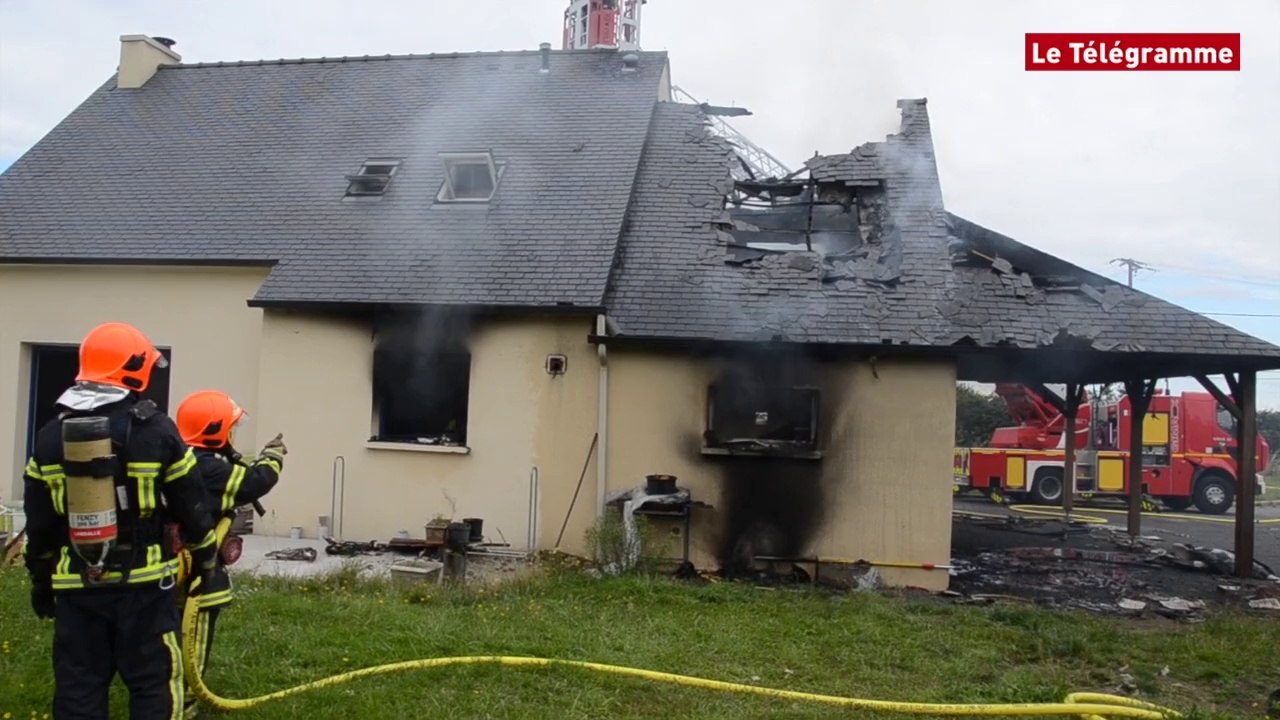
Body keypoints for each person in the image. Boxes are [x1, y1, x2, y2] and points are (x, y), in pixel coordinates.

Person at [23, 322, 218, 720]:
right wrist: (207, 562)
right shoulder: (156, 430)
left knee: (79, 686)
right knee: (152, 682)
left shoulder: (48, 437)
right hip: (144, 584)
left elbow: (39, 525)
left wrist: (41, 581)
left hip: (76, 586)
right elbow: (192, 504)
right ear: (135, 368)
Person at [173, 390, 285, 718]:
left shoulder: (181, 458)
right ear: (215, 431)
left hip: (173, 568)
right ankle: (186, 704)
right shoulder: (210, 469)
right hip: (200, 573)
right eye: (230, 428)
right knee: (194, 639)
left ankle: (168, 696)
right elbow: (255, 482)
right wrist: (273, 456)